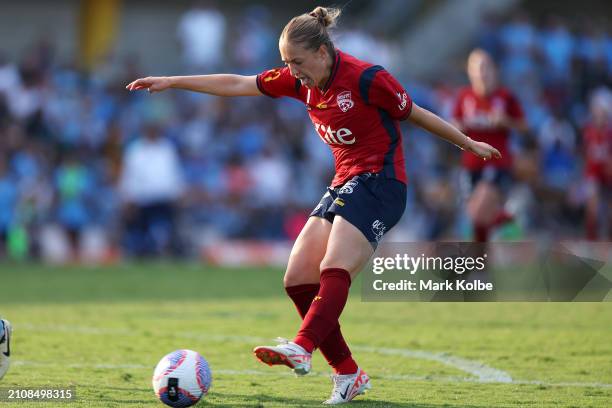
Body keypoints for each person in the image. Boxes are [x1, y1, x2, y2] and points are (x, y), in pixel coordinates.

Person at [127, 7, 499, 404]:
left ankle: (302, 346)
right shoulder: (299, 80)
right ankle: (348, 374)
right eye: (287, 63)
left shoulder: (368, 78)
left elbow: (416, 114)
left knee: (333, 267)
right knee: (297, 278)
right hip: (344, 182)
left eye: (297, 62)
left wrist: (468, 143)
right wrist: (173, 81)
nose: (292, 71)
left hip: (382, 182)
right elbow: (237, 82)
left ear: (323, 53)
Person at [452, 49, 527, 242]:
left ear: (494, 70)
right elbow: (452, 124)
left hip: (496, 163)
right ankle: (507, 219)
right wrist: (457, 127)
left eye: (485, 67)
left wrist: (506, 122)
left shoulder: (505, 97)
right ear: (469, 72)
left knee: (479, 209)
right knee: (477, 218)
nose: (481, 73)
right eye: (476, 68)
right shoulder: (464, 97)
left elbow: (524, 127)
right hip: (470, 164)